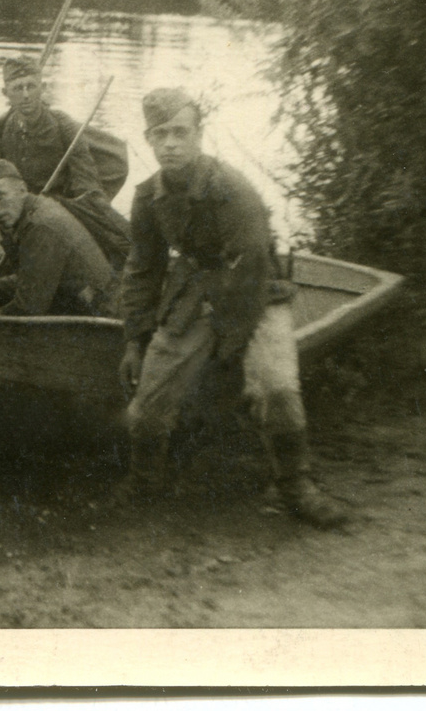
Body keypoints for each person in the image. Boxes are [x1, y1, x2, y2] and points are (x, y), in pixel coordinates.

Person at [116, 88, 348, 528]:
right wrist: (135, 337)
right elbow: (142, 268)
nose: (170, 143)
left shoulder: (232, 190)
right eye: (160, 134)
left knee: (277, 386)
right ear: (148, 138)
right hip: (198, 290)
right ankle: (145, 483)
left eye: (181, 132)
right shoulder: (148, 197)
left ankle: (296, 485)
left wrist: (229, 347)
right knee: (149, 400)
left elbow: (252, 268)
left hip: (256, 290)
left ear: (199, 135)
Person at [0, 55, 131, 267]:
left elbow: (87, 186)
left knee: (122, 243)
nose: (26, 95)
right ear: (5, 93)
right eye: (18, 88)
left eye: (31, 86)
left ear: (42, 87)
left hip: (58, 211)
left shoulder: (64, 126)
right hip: (14, 213)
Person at [0, 157, 118, 317]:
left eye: (0, 196)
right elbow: (28, 278)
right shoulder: (35, 210)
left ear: (22, 189)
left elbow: (28, 309)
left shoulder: (39, 226)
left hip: (98, 317)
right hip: (76, 300)